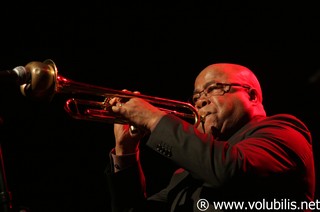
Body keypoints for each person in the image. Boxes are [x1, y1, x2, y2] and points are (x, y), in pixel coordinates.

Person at [105, 63, 316, 212]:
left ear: (251, 96)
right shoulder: (185, 174)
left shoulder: (284, 131)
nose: (200, 102)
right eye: (196, 97)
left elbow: (231, 170)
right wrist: (126, 152)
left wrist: (153, 118)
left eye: (213, 88)